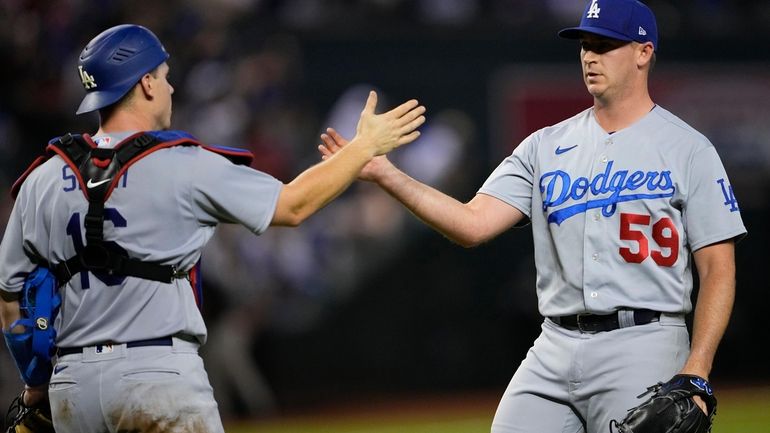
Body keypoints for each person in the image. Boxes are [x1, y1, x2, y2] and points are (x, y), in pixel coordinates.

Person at [319, 1, 746, 432]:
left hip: (645, 341)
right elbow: (472, 224)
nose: (589, 56)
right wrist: (385, 174)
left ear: (643, 52)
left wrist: (697, 369)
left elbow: (718, 270)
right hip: (555, 344)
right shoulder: (544, 146)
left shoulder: (688, 149)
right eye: (584, 45)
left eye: (604, 45)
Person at [0, 24, 425, 432]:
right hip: (157, 378)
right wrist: (364, 147)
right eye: (164, 77)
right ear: (145, 83)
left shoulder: (42, 179)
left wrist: (37, 385)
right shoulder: (182, 164)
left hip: (72, 388)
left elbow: (9, 301)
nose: (169, 88)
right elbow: (294, 205)